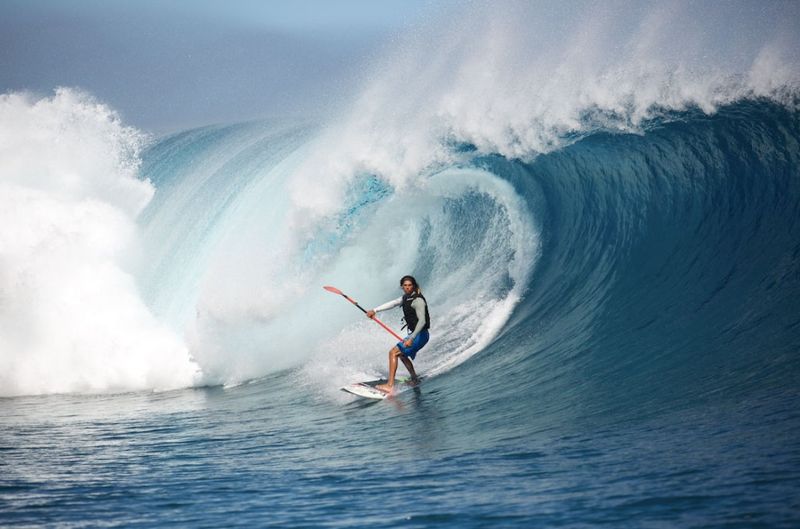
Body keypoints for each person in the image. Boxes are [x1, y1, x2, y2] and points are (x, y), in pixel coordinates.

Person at [366, 275, 430, 394]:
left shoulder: (418, 300)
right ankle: (414, 379)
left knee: (393, 352)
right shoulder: (405, 298)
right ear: (402, 287)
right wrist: (375, 310)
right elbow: (393, 303)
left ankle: (390, 386)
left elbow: (422, 321)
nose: (407, 288)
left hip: (420, 335)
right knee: (402, 354)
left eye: (410, 285)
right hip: (416, 335)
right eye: (405, 286)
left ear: (414, 286)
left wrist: (411, 338)